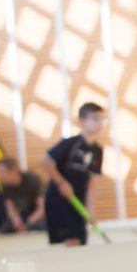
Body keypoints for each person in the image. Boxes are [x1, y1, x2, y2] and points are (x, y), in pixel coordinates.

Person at [41, 103, 106, 246]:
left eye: (102, 119)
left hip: (78, 202)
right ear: (82, 121)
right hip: (60, 201)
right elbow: (46, 160)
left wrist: (91, 210)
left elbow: (92, 182)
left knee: (81, 240)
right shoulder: (71, 143)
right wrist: (61, 182)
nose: (99, 124)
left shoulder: (98, 150)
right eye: (95, 119)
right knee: (71, 242)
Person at [0, 157, 46, 234]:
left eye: (2, 172)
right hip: (23, 216)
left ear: (14, 170)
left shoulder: (32, 180)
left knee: (41, 225)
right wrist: (16, 220)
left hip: (37, 216)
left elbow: (42, 207)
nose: (0, 176)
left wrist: (30, 221)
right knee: (5, 229)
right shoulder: (6, 185)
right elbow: (10, 208)